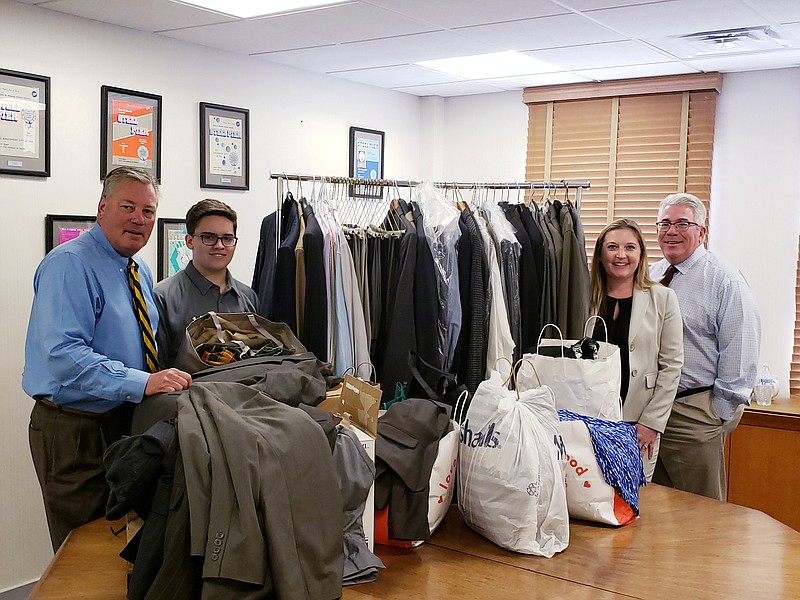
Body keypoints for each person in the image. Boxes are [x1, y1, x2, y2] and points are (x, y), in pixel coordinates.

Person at [23, 166, 192, 551]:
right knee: (85, 549)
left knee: (127, 542)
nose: (139, 219)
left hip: (125, 421)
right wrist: (143, 382)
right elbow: (64, 356)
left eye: (148, 211)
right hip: (75, 432)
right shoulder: (70, 264)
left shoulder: (138, 269)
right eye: (127, 206)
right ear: (102, 208)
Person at [650, 193, 761, 500]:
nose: (671, 231)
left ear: (702, 232)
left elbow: (742, 347)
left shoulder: (724, 281)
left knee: (700, 513)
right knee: (650, 506)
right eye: (665, 223)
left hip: (694, 411)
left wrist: (717, 413)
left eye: (682, 223)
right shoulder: (650, 276)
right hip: (649, 412)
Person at [589, 219, 683, 481]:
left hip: (639, 423)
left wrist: (651, 423)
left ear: (641, 254)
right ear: (600, 254)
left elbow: (672, 365)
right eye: (612, 247)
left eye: (630, 247)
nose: (621, 255)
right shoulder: (585, 295)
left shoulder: (663, 298)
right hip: (590, 420)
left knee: (633, 502)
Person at [154, 198, 258, 368]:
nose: (219, 245)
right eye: (208, 237)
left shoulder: (248, 297)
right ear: (189, 241)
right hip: (186, 394)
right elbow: (158, 370)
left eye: (227, 238)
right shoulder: (163, 297)